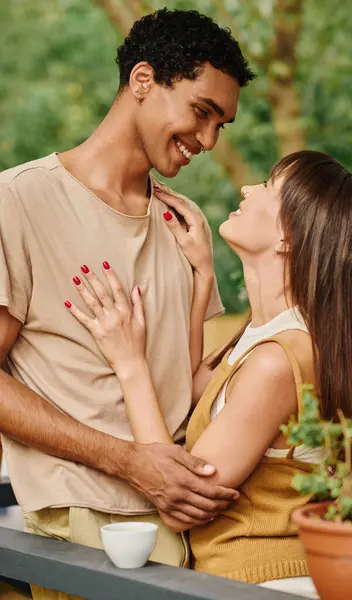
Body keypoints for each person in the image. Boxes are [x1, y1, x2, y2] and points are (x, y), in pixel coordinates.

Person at [0, 8, 255, 592]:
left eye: (222, 125)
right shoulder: (18, 202)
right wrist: (126, 461)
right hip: (79, 532)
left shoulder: (182, 224)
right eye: (202, 112)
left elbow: (186, 390)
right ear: (143, 81)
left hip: (183, 533)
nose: (210, 140)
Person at [67, 150, 352, 586]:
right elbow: (193, 390)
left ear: (287, 238)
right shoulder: (267, 336)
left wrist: (129, 363)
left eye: (269, 187)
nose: (247, 188)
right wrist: (203, 277)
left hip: (266, 583)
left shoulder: (277, 361)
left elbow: (178, 500)